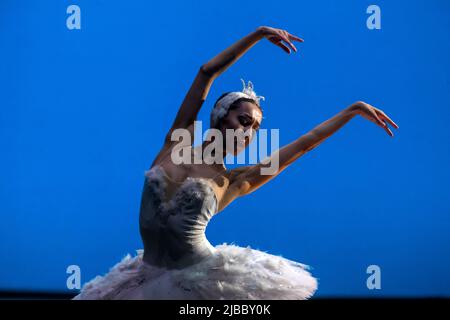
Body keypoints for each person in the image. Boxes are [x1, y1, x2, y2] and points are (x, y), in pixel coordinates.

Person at [73, 26, 398, 300]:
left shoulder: (233, 180)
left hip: (194, 282)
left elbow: (304, 144)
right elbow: (206, 72)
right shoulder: (177, 140)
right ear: (219, 117)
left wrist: (352, 110)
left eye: (256, 128)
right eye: (244, 120)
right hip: (144, 279)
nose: (250, 131)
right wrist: (257, 34)